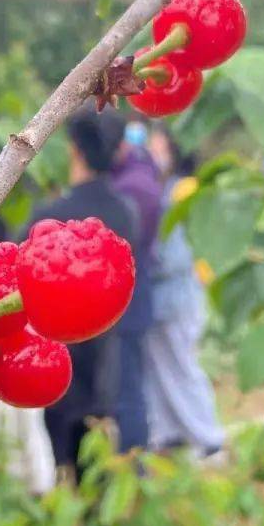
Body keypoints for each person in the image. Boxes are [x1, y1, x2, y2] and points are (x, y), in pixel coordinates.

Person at [23, 102, 139, 475]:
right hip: (107, 360)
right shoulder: (126, 212)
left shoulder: (48, 218)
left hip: (54, 363)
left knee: (59, 462)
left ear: (73, 148)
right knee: (98, 458)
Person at [142, 125, 225, 455]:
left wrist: (145, 262)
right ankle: (169, 432)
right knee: (161, 366)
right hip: (166, 299)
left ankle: (210, 438)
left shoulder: (183, 191)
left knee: (182, 365)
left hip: (178, 296)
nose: (153, 149)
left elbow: (175, 255)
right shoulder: (165, 188)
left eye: (158, 143)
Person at [107, 121, 162, 453]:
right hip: (133, 300)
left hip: (128, 304)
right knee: (129, 385)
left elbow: (124, 247)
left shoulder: (133, 189)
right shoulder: (139, 179)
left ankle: (133, 459)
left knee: (127, 389)